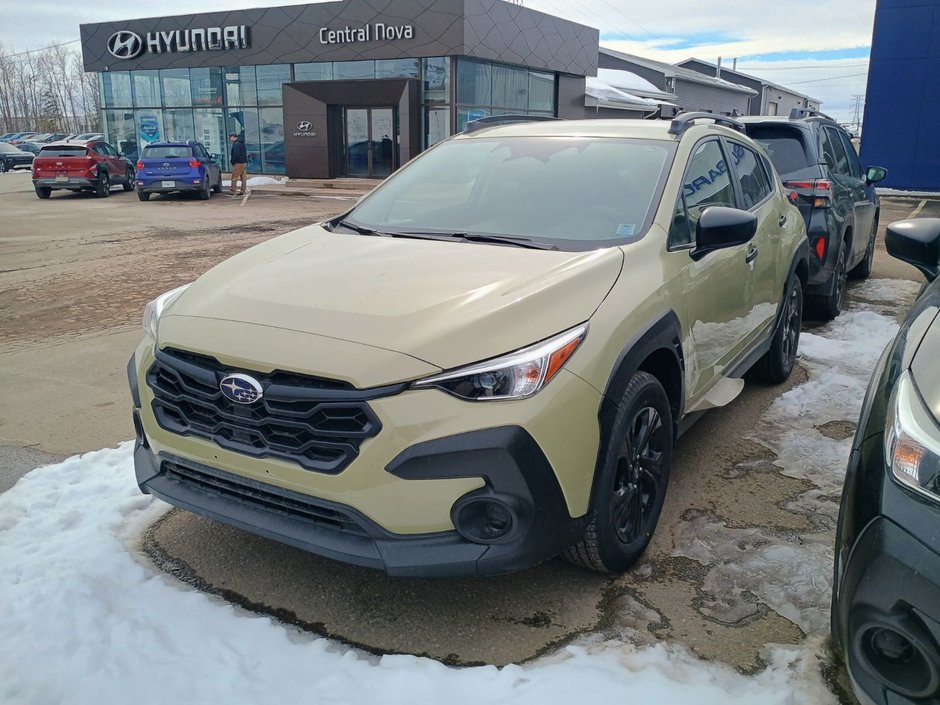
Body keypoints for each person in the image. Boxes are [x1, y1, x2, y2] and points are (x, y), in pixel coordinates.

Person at [228, 132, 248, 196]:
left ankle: (232, 191)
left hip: (238, 163)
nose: (229, 139)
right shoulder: (242, 143)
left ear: (233, 137)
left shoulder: (236, 144)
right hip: (244, 162)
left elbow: (236, 154)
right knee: (243, 178)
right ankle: (243, 190)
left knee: (234, 177)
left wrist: (233, 161)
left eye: (230, 137)